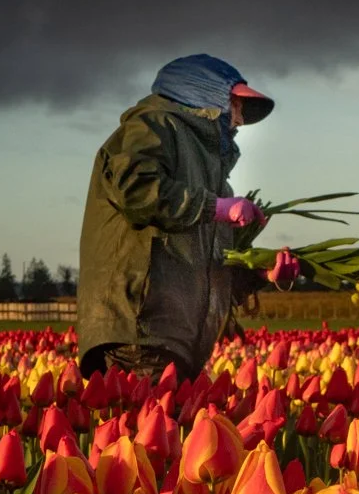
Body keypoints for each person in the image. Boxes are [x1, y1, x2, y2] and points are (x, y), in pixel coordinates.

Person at [76, 54, 277, 383]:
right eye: (237, 105)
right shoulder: (152, 125)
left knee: (169, 433)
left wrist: (262, 275)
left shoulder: (212, 179)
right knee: (147, 433)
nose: (239, 121)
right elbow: (136, 189)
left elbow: (203, 272)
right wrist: (216, 208)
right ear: (207, 97)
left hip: (175, 339)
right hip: (142, 330)